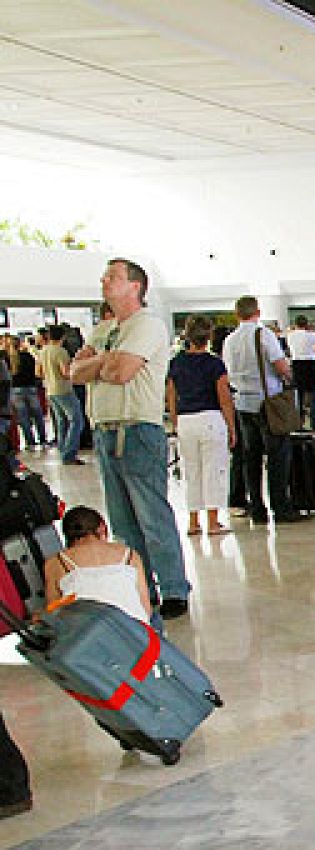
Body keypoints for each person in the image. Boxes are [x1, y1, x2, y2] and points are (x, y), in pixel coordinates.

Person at [69, 258, 191, 621]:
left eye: (113, 276)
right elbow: (74, 372)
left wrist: (103, 363)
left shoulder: (148, 325)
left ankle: (172, 588)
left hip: (137, 431)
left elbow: (122, 372)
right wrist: (105, 360)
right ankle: (143, 587)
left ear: (135, 286)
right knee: (123, 522)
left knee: (152, 515)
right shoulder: (103, 329)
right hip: (105, 431)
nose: (104, 281)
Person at [221, 296, 299, 527]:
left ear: (237, 314)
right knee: (278, 456)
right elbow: (280, 365)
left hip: (242, 403)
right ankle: (280, 506)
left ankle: (257, 507)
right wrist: (290, 377)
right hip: (267, 403)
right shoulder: (263, 334)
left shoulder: (230, 340)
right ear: (258, 312)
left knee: (250, 458)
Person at [164, 315, 236, 536]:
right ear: (210, 336)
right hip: (211, 418)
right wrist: (231, 426)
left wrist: (175, 419)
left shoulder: (176, 362)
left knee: (191, 470)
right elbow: (224, 397)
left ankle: (193, 521)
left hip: (186, 419)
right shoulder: (214, 363)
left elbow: (171, 393)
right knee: (213, 470)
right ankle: (213, 521)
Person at [43, 504, 153, 623]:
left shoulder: (56, 562)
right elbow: (145, 606)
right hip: (136, 630)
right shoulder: (130, 554)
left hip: (88, 636)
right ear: (101, 527)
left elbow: (54, 611)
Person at [38, 326, 83, 465]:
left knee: (61, 421)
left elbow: (38, 372)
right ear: (63, 337)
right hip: (63, 389)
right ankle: (69, 453)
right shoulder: (61, 352)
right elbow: (65, 372)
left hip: (50, 390)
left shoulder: (43, 351)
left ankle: (63, 449)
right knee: (77, 420)